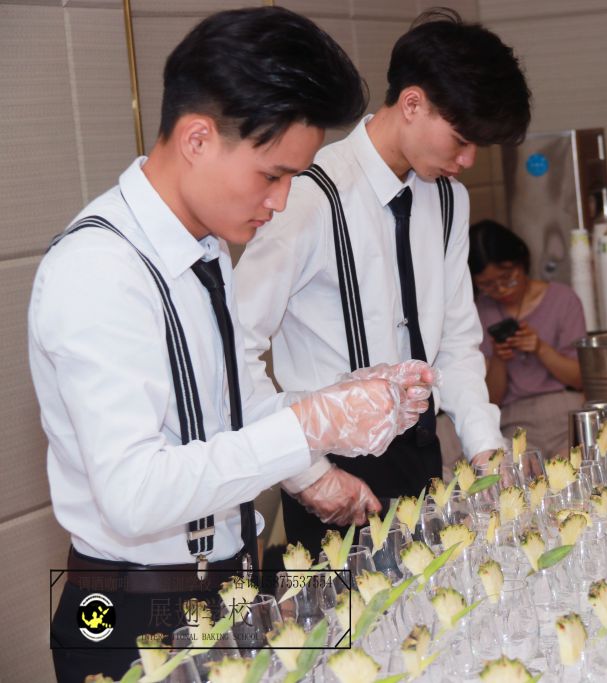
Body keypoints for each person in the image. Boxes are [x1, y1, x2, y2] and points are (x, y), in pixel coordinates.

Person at [30, 9, 433, 680]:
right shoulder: (100, 269)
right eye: (272, 175)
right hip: (131, 610)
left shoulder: (206, 246)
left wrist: (323, 444)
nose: (280, 202)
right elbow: (134, 492)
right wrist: (310, 424)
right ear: (197, 138)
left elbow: (233, 405)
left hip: (231, 587)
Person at [233, 9, 532, 553]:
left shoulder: (448, 200)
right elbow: (233, 346)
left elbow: (457, 341)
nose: (467, 160)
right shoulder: (309, 196)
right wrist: (307, 474)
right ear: (412, 104)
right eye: (461, 140)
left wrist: (485, 446)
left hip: (424, 455)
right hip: (334, 473)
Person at [470, 220, 586, 458]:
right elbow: (490, 399)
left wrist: (540, 348)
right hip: (514, 421)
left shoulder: (563, 299)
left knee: (575, 462)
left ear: (521, 261)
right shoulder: (479, 311)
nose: (502, 289)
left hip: (565, 413)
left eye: (507, 277)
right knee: (519, 468)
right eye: (487, 285)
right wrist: (499, 359)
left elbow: (579, 379)